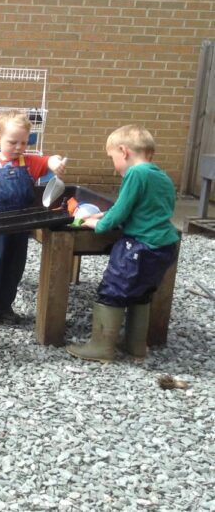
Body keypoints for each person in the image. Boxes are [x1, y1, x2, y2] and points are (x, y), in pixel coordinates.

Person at [67, 124, 179, 363]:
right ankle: (136, 346)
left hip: (139, 246)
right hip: (163, 246)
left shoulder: (136, 174)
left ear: (124, 151)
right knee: (141, 293)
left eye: (113, 158)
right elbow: (142, 209)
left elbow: (122, 210)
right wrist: (105, 214)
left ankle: (101, 347)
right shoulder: (162, 177)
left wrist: (98, 224)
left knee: (112, 291)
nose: (114, 165)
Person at [0, 110, 67, 328]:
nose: (18, 147)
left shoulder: (29, 163)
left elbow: (49, 160)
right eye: (12, 142)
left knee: (13, 267)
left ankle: (3, 306)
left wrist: (56, 163)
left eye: (23, 142)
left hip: (19, 225)